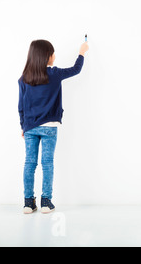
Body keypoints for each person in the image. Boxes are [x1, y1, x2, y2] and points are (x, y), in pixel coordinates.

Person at [18, 39, 89, 213]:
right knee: (47, 163)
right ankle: (45, 202)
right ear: (46, 57)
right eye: (53, 53)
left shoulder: (24, 78)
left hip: (30, 127)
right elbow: (76, 69)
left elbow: (21, 106)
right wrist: (82, 52)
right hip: (49, 126)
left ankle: (28, 203)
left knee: (30, 163)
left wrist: (23, 125)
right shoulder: (55, 74)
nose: (54, 56)